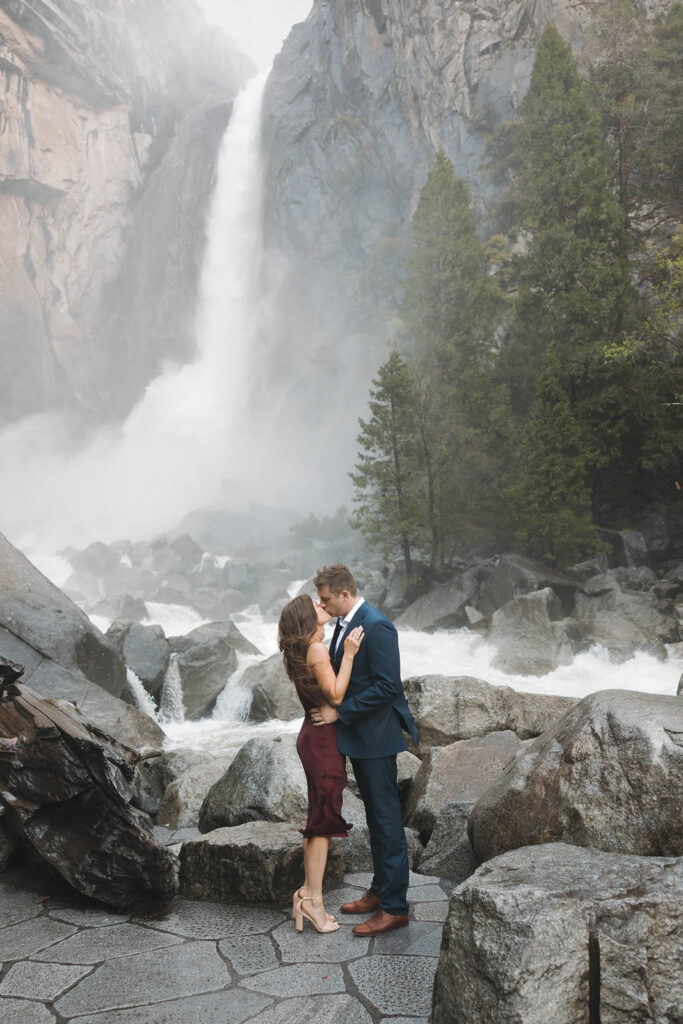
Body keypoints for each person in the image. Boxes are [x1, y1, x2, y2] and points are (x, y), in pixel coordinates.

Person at [311, 563, 419, 936]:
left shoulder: (378, 626)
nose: (322, 604)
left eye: (325, 598)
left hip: (375, 738)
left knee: (387, 821)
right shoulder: (343, 625)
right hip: (360, 737)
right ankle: (379, 890)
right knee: (375, 819)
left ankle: (395, 907)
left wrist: (341, 713)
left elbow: (389, 687)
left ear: (345, 594)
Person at [278, 593, 364, 933]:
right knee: (324, 823)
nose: (322, 605)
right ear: (306, 617)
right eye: (315, 604)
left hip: (312, 738)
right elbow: (337, 695)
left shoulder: (304, 650)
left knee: (319, 821)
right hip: (322, 741)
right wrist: (350, 656)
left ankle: (307, 895)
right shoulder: (315, 650)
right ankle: (312, 900)